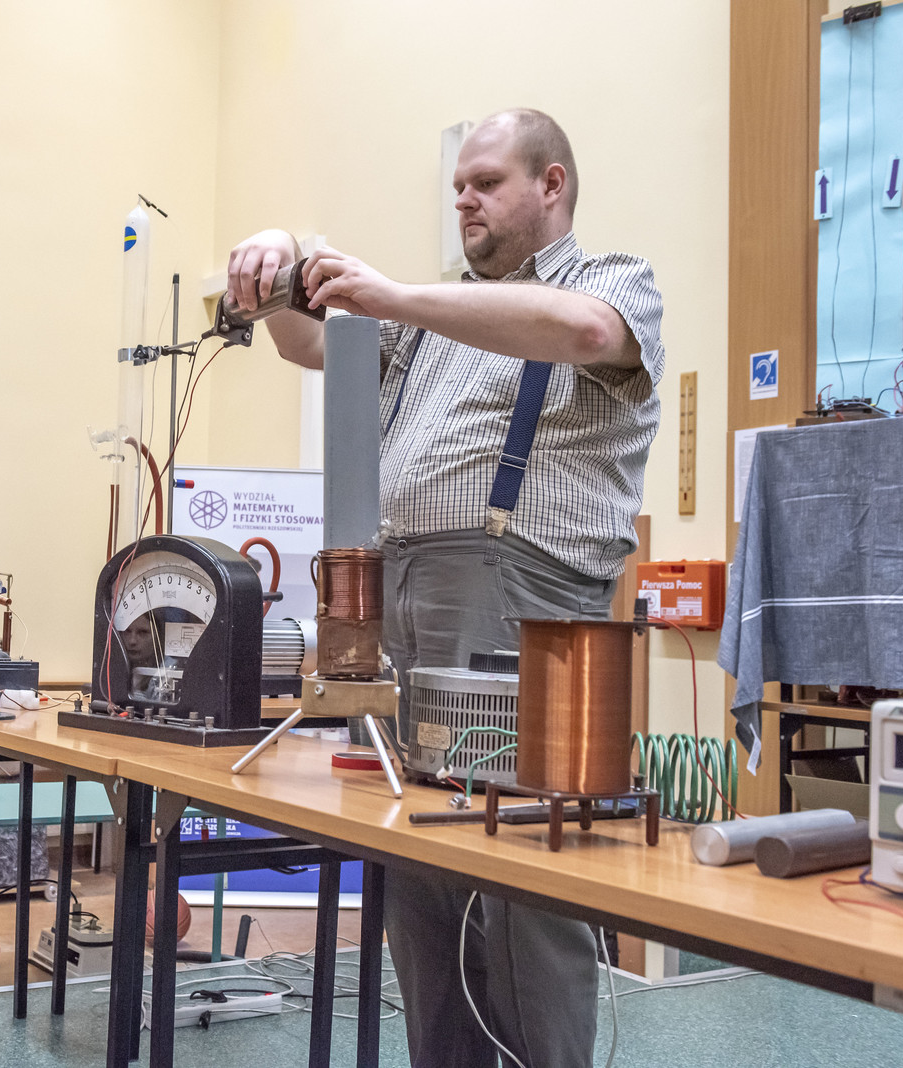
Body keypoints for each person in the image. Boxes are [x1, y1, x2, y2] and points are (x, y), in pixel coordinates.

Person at [227, 109, 664, 1068]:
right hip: (406, 588)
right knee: (413, 851)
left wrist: (393, 295)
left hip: (519, 593)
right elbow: (307, 344)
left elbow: (586, 331)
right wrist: (277, 257)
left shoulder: (611, 280)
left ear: (552, 185)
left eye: (487, 182)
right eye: (458, 185)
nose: (464, 199)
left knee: (519, 875)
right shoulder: (432, 318)